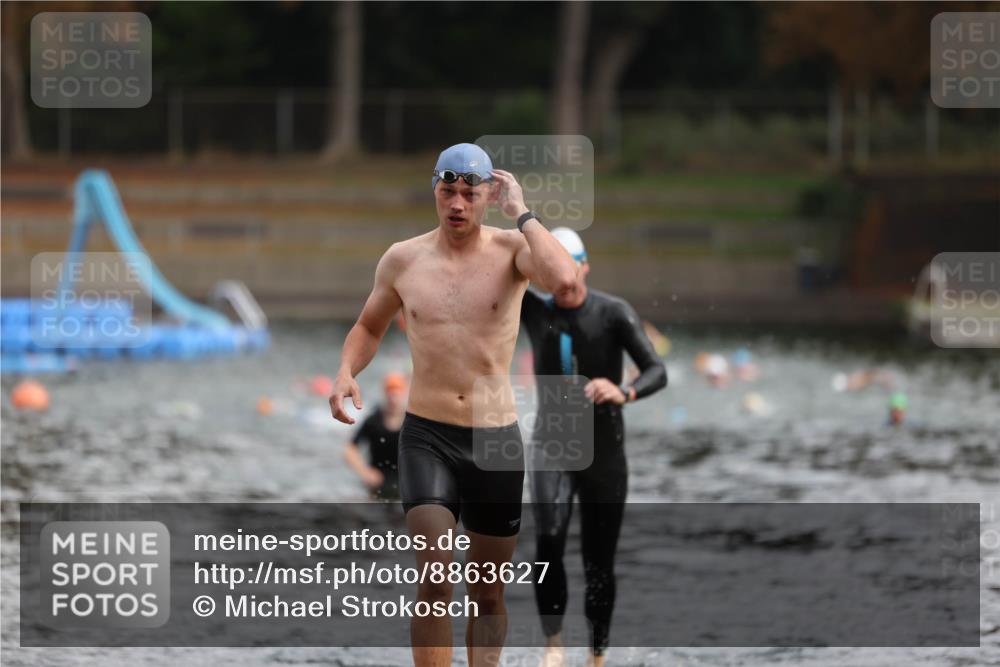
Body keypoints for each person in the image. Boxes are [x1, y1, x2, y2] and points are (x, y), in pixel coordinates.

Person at [328, 143, 579, 667]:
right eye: (448, 192)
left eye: (470, 193)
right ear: (435, 193)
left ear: (488, 194)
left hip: (495, 438)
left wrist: (524, 212)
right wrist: (347, 371)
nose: (458, 204)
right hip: (427, 436)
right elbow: (369, 326)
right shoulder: (403, 259)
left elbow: (564, 280)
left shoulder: (514, 249)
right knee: (435, 574)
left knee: (486, 593)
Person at [519, 227, 667, 667]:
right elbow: (490, 267)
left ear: (585, 265)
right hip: (551, 447)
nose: (563, 280)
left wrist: (625, 391)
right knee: (547, 543)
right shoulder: (533, 309)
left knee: (598, 562)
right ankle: (554, 645)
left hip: (604, 453)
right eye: (553, 271)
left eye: (570, 268)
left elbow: (657, 370)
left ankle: (597, 655)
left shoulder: (612, 313)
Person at [342, 372, 408, 500]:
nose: (393, 396)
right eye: (390, 391)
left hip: (406, 484)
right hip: (377, 482)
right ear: (385, 393)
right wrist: (364, 472)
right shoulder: (374, 420)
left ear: (404, 393)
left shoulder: (411, 422)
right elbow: (350, 449)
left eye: (397, 391)